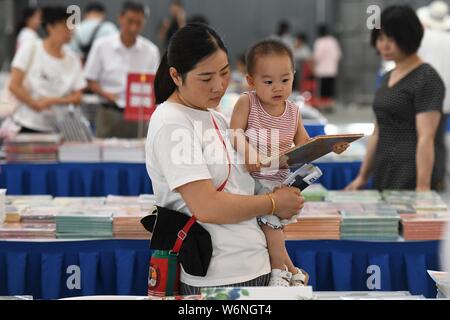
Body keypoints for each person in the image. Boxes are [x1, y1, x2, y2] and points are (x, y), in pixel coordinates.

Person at [147, 23, 304, 294]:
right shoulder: (172, 123)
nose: (219, 86)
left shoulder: (217, 118)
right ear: (176, 75)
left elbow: (242, 189)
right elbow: (207, 206)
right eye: (206, 78)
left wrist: (284, 264)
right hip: (217, 278)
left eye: (224, 72)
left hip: (257, 267)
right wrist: (274, 202)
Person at [229, 39, 348, 286]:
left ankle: (289, 270)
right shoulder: (247, 102)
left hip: (281, 184)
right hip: (251, 183)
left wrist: (330, 147)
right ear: (251, 81)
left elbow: (305, 145)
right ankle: (281, 272)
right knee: (272, 228)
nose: (278, 88)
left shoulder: (293, 111)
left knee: (274, 230)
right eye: (268, 81)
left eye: (285, 80)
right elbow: (234, 132)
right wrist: (249, 152)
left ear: (294, 76)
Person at [345, 5, 445, 192]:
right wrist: (362, 177)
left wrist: (422, 187)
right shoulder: (387, 76)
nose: (384, 45)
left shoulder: (427, 78)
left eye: (392, 39)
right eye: (380, 38)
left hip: (411, 173)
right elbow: (377, 132)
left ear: (409, 38)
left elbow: (426, 138)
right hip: (384, 170)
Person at [84, 1, 160, 138]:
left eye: (139, 23)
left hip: (139, 116)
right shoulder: (101, 46)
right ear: (120, 18)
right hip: (109, 112)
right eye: (130, 21)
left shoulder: (151, 51)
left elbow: (154, 85)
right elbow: (90, 79)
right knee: (105, 155)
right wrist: (105, 93)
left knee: (138, 155)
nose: (133, 28)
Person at [8, 6, 86, 133]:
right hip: (28, 123)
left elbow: (78, 96)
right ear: (50, 27)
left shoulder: (73, 59)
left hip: (60, 127)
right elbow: (14, 85)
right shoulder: (30, 49)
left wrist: (53, 100)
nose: (71, 30)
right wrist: (34, 103)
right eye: (65, 26)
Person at [418, 1, 450, 190]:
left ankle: (425, 180)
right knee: (437, 140)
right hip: (445, 99)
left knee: (423, 138)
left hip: (423, 97)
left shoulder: (423, 38)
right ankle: (438, 179)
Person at [312, 24, 342, 104]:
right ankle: (329, 103)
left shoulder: (319, 42)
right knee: (330, 88)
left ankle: (323, 104)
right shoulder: (333, 41)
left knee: (322, 89)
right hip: (332, 69)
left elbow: (317, 57)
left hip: (322, 70)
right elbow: (338, 56)